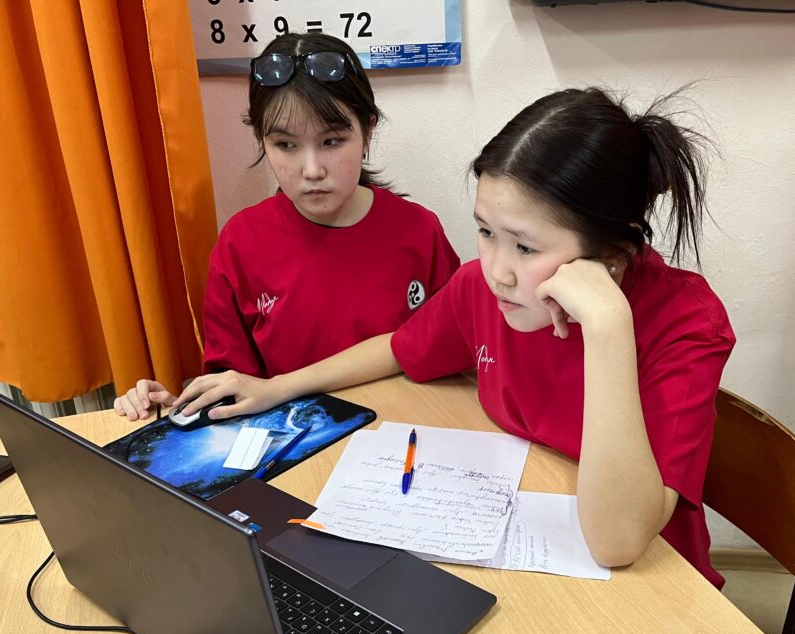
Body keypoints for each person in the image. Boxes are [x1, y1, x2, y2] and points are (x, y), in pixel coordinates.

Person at [172, 87, 735, 587]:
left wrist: (609, 327)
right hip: (524, 549)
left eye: (526, 247)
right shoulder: (484, 290)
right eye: (486, 232)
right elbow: (400, 347)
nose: (497, 271)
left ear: (609, 252)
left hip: (649, 583)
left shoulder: (685, 323)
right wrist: (277, 387)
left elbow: (617, 543)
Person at [114, 33, 460, 421]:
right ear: (262, 140)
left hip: (406, 432)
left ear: (367, 132)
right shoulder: (241, 244)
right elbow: (232, 388)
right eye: (286, 145)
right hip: (297, 442)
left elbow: (450, 349)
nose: (312, 170)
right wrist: (177, 409)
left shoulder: (419, 230)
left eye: (332, 141)